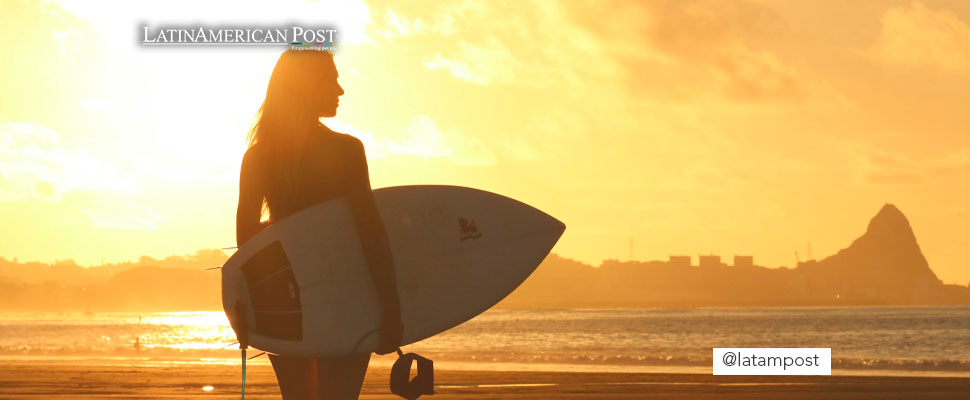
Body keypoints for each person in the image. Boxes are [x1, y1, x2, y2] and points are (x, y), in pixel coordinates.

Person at [235, 49, 404, 400]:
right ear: (305, 86)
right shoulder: (345, 151)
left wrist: (251, 311)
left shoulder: (259, 156)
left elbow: (247, 247)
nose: (340, 90)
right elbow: (370, 235)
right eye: (332, 79)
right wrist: (390, 309)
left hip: (285, 306)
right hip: (346, 299)